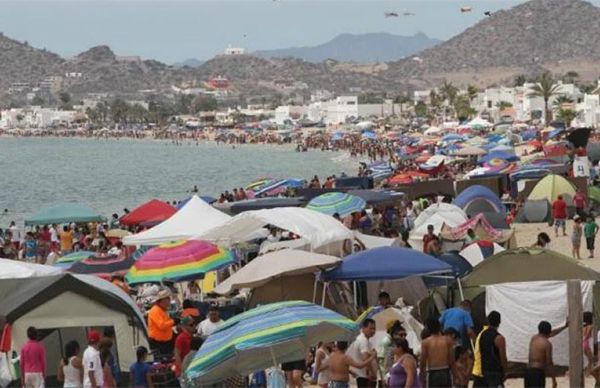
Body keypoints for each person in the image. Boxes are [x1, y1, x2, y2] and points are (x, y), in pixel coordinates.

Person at [524, 321, 567, 388]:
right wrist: (554, 380)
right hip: (537, 373)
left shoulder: (534, 338)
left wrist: (564, 327)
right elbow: (549, 363)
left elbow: (551, 333)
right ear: (548, 331)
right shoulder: (547, 344)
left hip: (528, 371)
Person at [419, 317, 454, 388]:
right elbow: (452, 361)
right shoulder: (448, 340)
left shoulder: (426, 342)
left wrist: (421, 376)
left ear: (428, 328)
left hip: (432, 373)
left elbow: (423, 362)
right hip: (445, 371)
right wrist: (455, 375)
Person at [478, 311, 507, 387]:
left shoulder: (482, 335)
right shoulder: (499, 338)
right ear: (499, 322)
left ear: (488, 321)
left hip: (484, 370)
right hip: (495, 372)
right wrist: (505, 371)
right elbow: (503, 357)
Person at [348, 318, 378, 387]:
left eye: (374, 329)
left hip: (361, 376)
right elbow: (365, 358)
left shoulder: (363, 339)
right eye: (370, 328)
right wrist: (372, 372)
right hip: (362, 377)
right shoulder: (363, 340)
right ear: (363, 328)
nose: (373, 331)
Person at [147, 290, 176, 356]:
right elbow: (162, 325)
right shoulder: (155, 310)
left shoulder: (163, 310)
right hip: (158, 343)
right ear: (162, 300)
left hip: (165, 342)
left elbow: (166, 323)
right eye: (168, 298)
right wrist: (173, 321)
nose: (169, 300)